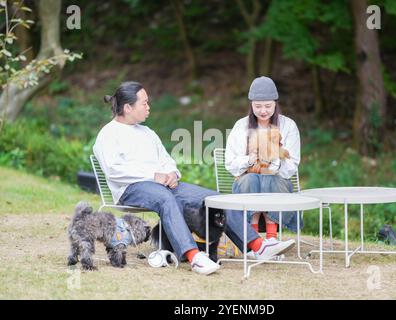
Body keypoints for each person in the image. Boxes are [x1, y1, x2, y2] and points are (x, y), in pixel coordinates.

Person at [93, 81, 295, 276]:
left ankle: (257, 246)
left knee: (216, 199)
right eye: (144, 103)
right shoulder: (109, 134)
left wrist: (173, 174)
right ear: (128, 107)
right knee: (165, 198)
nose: (148, 107)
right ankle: (194, 256)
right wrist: (154, 176)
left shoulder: (147, 132)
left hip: (163, 185)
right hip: (131, 189)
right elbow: (113, 170)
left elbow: (166, 160)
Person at [225, 76, 302, 246]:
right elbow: (230, 163)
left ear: (275, 103)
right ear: (251, 105)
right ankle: (253, 240)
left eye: (268, 106)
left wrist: (274, 158)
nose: (263, 111)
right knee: (252, 178)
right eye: (258, 106)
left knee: (269, 177)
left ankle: (272, 237)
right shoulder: (241, 126)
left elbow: (291, 167)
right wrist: (249, 159)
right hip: (247, 180)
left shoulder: (288, 126)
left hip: (278, 182)